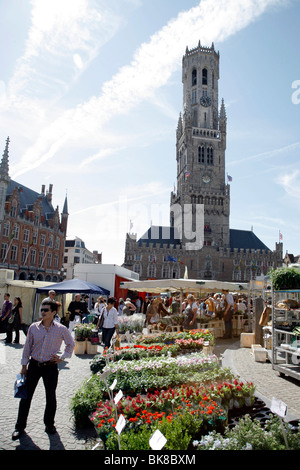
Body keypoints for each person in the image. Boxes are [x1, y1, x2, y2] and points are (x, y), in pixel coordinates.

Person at [12, 300, 75, 440]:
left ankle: (49, 424)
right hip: (34, 365)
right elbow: (27, 347)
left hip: (50, 367)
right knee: (26, 397)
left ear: (53, 312)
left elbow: (71, 344)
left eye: (46, 310)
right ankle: (19, 426)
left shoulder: (61, 329)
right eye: (42, 309)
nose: (43, 312)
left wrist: (62, 357)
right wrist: (23, 367)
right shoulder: (34, 327)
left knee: (51, 397)